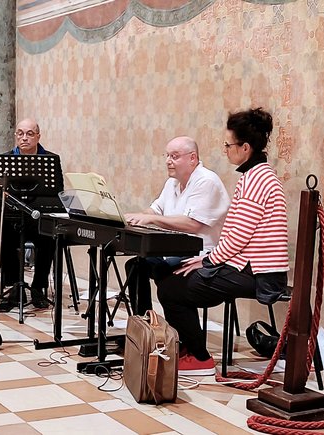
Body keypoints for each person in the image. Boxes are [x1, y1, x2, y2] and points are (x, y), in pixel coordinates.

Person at [157, 108, 289, 376]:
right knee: (174, 279)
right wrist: (208, 260)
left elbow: (239, 236)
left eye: (229, 145)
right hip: (248, 267)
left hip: (258, 273)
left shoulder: (256, 180)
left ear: (245, 147)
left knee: (172, 288)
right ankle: (190, 349)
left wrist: (207, 261)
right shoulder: (257, 175)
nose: (225, 150)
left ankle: (199, 357)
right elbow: (237, 235)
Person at [124, 136, 230, 315]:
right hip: (174, 251)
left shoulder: (207, 181)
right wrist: (133, 217)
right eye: (167, 156)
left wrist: (151, 219)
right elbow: (154, 210)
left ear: (192, 158)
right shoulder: (172, 183)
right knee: (136, 265)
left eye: (174, 156)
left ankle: (181, 329)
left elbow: (192, 224)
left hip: (202, 254)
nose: (168, 161)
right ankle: (144, 323)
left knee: (164, 272)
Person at [0, 118, 57, 310]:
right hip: (13, 219)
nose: (24, 138)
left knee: (49, 236)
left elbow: (57, 193)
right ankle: (15, 286)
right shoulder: (5, 160)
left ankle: (38, 287)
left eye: (30, 134)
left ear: (38, 137)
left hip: (38, 218)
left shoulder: (50, 159)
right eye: (20, 133)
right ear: (16, 136)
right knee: (3, 234)